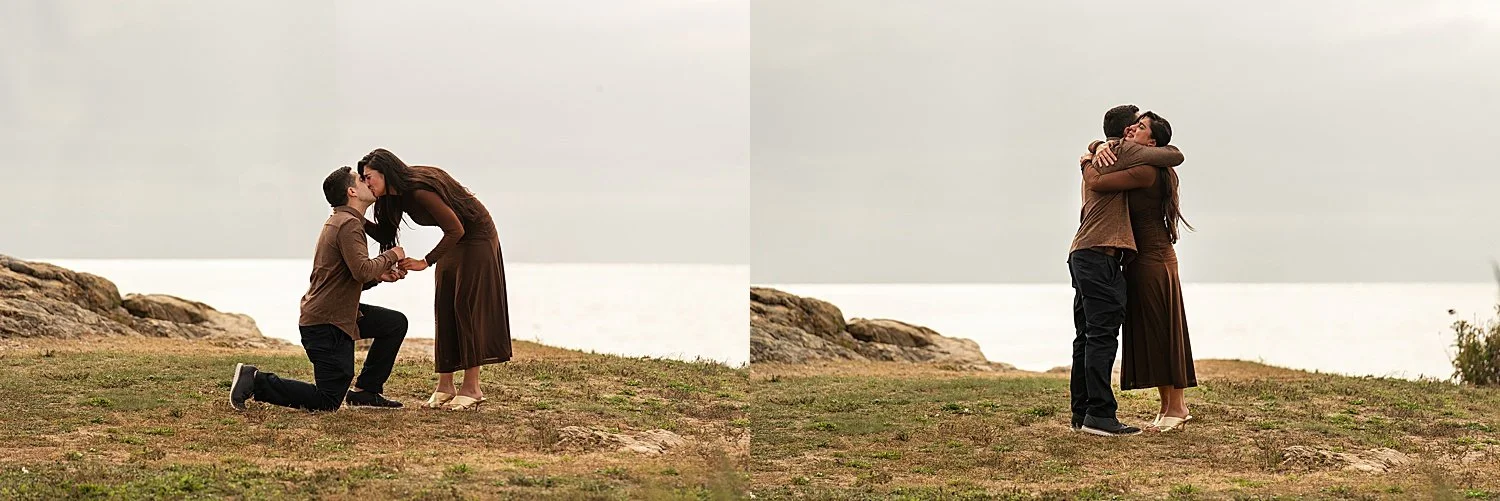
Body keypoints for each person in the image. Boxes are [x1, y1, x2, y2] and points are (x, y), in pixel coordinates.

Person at [230, 166, 410, 411]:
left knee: (394, 323)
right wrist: (392, 255)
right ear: (352, 191)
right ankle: (255, 380)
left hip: (338, 314)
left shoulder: (343, 221)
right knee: (327, 401)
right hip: (327, 324)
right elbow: (360, 271)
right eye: (361, 179)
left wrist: (379, 276)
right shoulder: (347, 224)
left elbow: (347, 278)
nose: (367, 181)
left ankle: (367, 390)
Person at [358, 148, 512, 411]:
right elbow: (385, 232)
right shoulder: (390, 198)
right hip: (456, 238)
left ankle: (472, 388)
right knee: (444, 303)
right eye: (363, 178)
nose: (366, 183)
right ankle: (445, 385)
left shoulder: (418, 191)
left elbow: (456, 228)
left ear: (385, 173)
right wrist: (352, 217)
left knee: (465, 305)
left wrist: (425, 261)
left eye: (369, 176)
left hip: (477, 236)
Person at [1066, 104, 1184, 437]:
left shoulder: (1120, 158)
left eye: (1141, 127)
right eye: (1134, 125)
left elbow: (1173, 154)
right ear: (1123, 134)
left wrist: (1093, 151)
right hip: (1099, 255)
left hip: (1089, 254)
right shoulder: (1115, 158)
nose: (1135, 130)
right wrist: (1093, 155)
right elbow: (1172, 155)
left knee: (1088, 336)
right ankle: (1099, 416)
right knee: (1100, 336)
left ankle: (1084, 413)